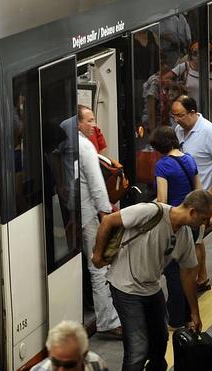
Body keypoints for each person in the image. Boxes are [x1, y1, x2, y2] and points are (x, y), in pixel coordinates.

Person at [92, 190, 212, 371]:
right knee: (138, 348)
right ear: (193, 212)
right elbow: (108, 221)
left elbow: (188, 275)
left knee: (160, 342)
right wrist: (97, 254)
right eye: (204, 218)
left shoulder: (185, 235)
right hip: (125, 286)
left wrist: (194, 313)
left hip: (151, 287)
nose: (206, 223)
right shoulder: (151, 212)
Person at [173, 95, 212, 290]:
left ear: (193, 112)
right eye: (174, 116)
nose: (177, 120)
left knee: (195, 241)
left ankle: (196, 278)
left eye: (180, 115)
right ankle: (201, 276)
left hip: (199, 198)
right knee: (195, 241)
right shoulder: (179, 131)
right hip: (184, 198)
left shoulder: (208, 131)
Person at [150, 126, 201, 329]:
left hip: (175, 223)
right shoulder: (189, 159)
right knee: (188, 270)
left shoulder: (163, 165)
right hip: (193, 219)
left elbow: (163, 199)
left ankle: (176, 319)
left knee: (173, 272)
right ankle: (189, 315)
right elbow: (199, 190)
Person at [77, 105, 121, 337]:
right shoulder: (84, 146)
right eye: (90, 120)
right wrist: (106, 212)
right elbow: (96, 184)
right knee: (99, 267)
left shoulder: (68, 142)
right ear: (78, 123)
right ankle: (109, 321)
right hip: (91, 214)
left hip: (76, 213)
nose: (94, 125)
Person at [31, 320, 108, 371]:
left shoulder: (96, 364)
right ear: (49, 354)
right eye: (56, 363)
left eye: (68, 365)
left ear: (84, 356)